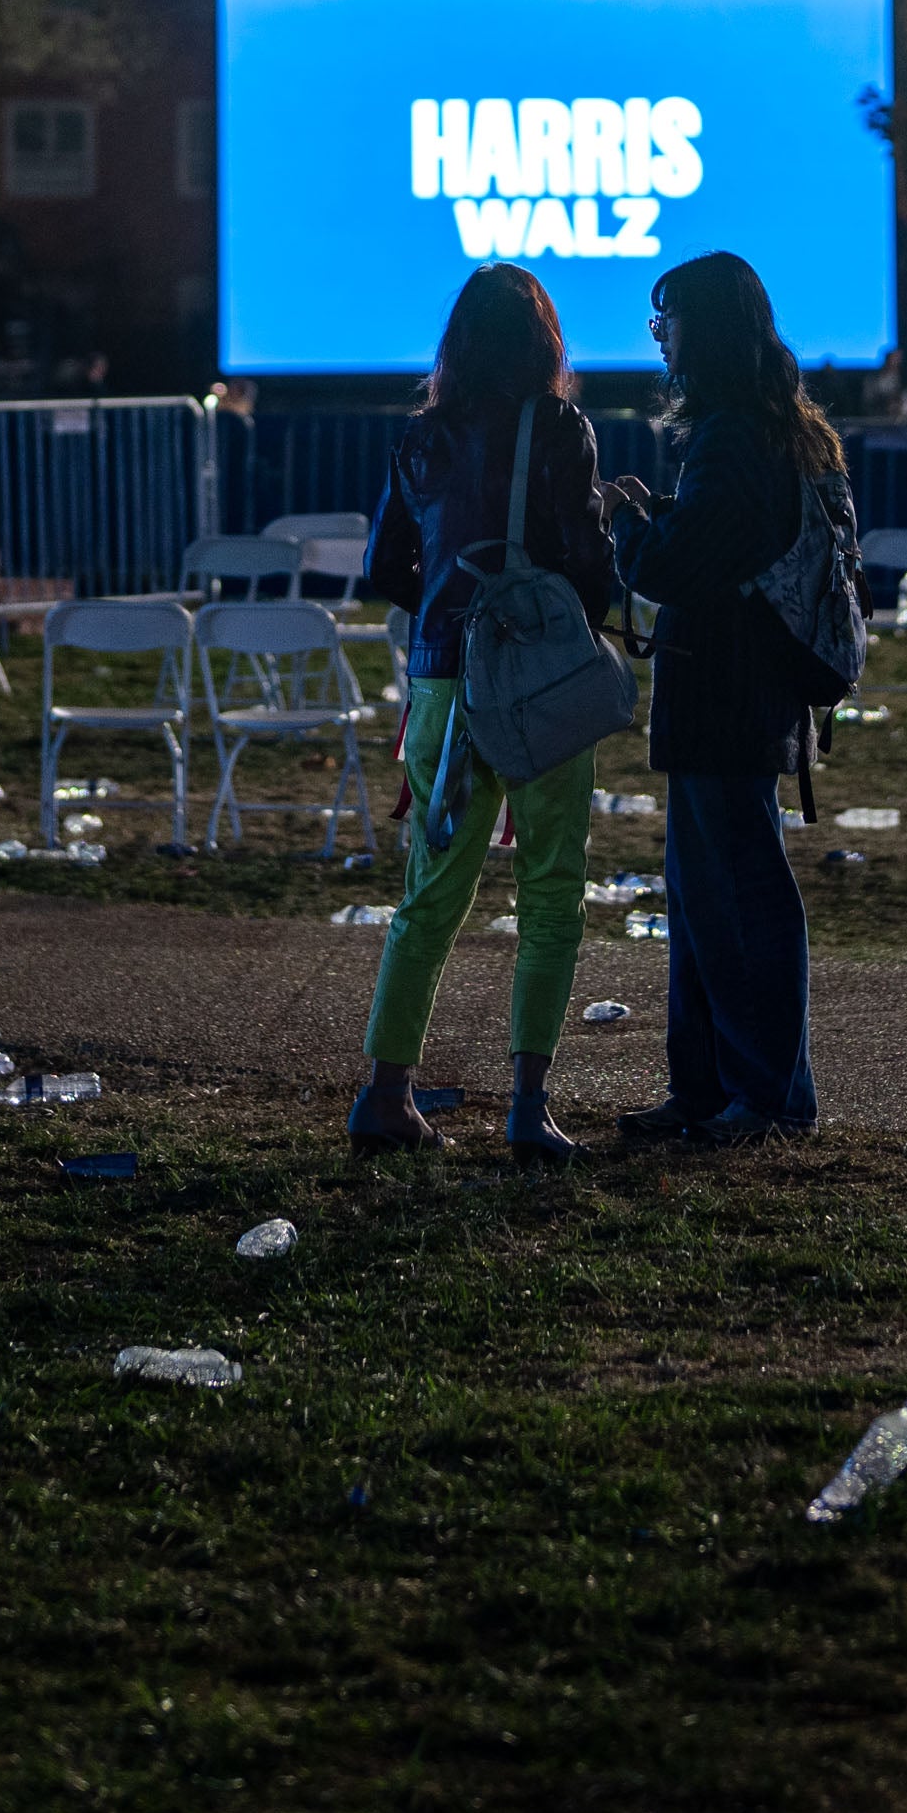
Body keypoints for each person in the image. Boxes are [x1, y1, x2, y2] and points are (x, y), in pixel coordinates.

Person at [344, 262, 621, 1161]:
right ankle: (529, 1107)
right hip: (537, 685)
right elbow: (588, 567)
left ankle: (386, 1094)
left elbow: (385, 569)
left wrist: (449, 596)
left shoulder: (422, 439)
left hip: (442, 683)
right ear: (544, 341)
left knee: (430, 892)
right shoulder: (560, 428)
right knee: (550, 889)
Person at [615, 246, 848, 1138]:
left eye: (665, 324)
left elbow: (684, 566)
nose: (659, 342)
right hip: (746, 692)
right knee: (705, 895)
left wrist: (634, 526)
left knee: (735, 895)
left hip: (725, 692)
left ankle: (765, 1097)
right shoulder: (767, 426)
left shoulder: (731, 437)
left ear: (700, 331)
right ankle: (709, 1089)